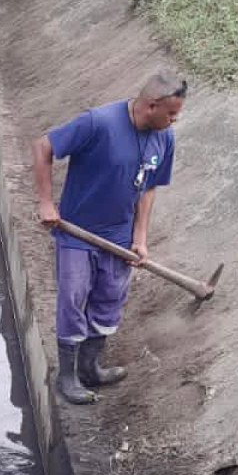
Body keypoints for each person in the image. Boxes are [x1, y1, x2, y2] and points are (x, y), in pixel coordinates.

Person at [32, 71, 187, 406]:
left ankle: (90, 368)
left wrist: (140, 237)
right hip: (77, 232)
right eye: (171, 113)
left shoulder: (164, 138)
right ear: (152, 105)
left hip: (118, 237)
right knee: (73, 299)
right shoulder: (98, 123)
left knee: (109, 300)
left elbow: (148, 188)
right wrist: (46, 202)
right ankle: (67, 376)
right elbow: (44, 146)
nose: (175, 120)